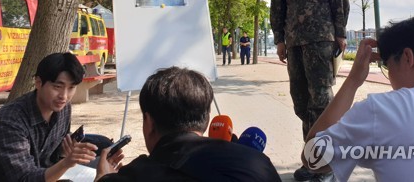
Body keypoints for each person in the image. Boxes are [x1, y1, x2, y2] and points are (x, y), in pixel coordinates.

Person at [302, 16, 414, 182]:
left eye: (387, 65)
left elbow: (312, 158)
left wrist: (353, 81)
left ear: (407, 57)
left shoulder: (383, 109)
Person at [270, 0, 349, 181]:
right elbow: (277, 7)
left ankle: (327, 165)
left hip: (321, 41)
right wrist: (279, 39)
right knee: (302, 104)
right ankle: (312, 160)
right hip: (294, 45)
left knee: (323, 102)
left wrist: (340, 33)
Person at [95, 66, 281, 181]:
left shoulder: (135, 175)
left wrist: (102, 178)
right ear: (207, 119)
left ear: (149, 123)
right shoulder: (257, 165)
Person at [0, 52, 98, 181]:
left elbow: (52, 156)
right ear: (38, 83)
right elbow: (25, 178)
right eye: (57, 87)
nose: (64, 96)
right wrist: (66, 163)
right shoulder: (10, 122)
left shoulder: (63, 108)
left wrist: (63, 151)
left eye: (71, 88)